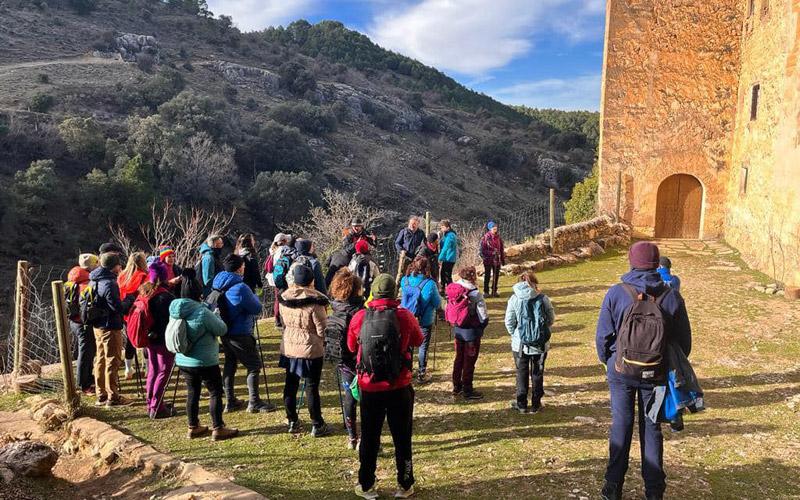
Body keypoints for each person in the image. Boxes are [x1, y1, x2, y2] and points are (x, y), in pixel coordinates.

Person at [596, 242, 692, 500]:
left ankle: (613, 485)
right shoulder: (671, 295)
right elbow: (685, 343)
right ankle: (654, 491)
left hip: (621, 372)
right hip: (656, 375)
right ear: (656, 262)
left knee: (621, 425)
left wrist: (611, 362)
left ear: (631, 261)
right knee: (652, 428)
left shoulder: (617, 293)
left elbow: (603, 336)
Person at [347, 274, 423, 499]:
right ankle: (405, 483)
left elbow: (351, 347)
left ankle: (366, 484)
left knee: (370, 437)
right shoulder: (405, 316)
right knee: (402, 437)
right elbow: (418, 341)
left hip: (370, 387)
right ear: (394, 293)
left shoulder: (360, 317)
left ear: (373, 292)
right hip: (399, 385)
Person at [171, 269, 239, 441]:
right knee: (215, 392)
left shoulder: (174, 311)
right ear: (198, 294)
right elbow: (221, 329)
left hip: (183, 359)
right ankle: (218, 427)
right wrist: (216, 316)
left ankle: (193, 426)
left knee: (192, 392)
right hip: (205, 360)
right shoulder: (202, 312)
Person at [213, 254, 275, 413]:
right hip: (241, 331)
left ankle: (230, 400)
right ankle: (254, 402)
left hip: (225, 330)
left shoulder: (218, 283)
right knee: (253, 366)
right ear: (239, 268)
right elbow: (257, 308)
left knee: (230, 363)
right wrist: (254, 296)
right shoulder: (240, 287)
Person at [279, 265, 332, 436]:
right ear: (311, 281)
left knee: (290, 384)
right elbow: (322, 329)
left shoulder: (284, 298)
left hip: (289, 346)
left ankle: (292, 419)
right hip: (310, 349)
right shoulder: (315, 303)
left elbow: (283, 322)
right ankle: (317, 423)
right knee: (311, 386)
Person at [326, 268, 366, 449]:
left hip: (343, 362)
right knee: (366, 400)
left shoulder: (335, 310)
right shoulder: (360, 312)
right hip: (360, 361)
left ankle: (352, 437)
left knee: (349, 398)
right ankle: (365, 437)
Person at [504, 272, 555, 413]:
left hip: (520, 344)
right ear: (535, 283)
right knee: (537, 372)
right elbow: (551, 318)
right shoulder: (543, 299)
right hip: (540, 343)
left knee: (521, 372)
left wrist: (515, 334)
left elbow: (509, 322)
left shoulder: (514, 299)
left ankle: (521, 404)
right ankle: (536, 403)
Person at [89, 252, 130, 407]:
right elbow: (117, 307)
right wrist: (128, 301)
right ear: (115, 266)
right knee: (113, 360)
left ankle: (101, 395)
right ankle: (113, 397)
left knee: (100, 359)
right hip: (110, 326)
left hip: (97, 325)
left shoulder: (93, 279)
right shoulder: (109, 283)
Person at [399, 256, 441, 384]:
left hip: (406, 319)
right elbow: (437, 303)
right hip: (424, 320)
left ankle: (408, 371)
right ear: (426, 268)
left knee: (407, 346)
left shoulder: (404, 280)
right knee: (423, 346)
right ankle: (422, 373)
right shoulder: (430, 284)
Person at [449, 266, 488, 400]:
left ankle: (456, 386)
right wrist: (483, 326)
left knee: (459, 358)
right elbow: (483, 314)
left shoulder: (454, 289)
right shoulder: (475, 293)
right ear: (473, 277)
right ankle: (467, 389)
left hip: (458, 329)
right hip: (471, 331)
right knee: (469, 360)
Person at [138, 281, 175, 419]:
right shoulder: (165, 297)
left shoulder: (145, 292)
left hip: (149, 337)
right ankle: (157, 407)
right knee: (164, 370)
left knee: (153, 370)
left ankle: (151, 403)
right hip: (162, 339)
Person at [67, 253, 99, 394]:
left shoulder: (73, 279)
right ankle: (84, 384)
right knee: (86, 352)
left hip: (74, 321)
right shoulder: (87, 284)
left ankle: (86, 379)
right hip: (84, 323)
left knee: (85, 351)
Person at [118, 252, 149, 381]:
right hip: (141, 312)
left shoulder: (121, 276)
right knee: (146, 340)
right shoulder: (144, 276)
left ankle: (128, 368)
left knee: (131, 340)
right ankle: (147, 368)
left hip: (126, 313)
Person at [480, 221, 505, 297]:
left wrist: (502, 259)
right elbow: (483, 250)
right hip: (488, 260)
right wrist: (491, 253)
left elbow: (501, 249)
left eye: (496, 228)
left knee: (496, 276)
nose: (495, 230)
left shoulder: (498, 237)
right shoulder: (486, 238)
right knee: (487, 275)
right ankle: (486, 292)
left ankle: (494, 291)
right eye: (494, 229)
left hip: (497, 260)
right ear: (490, 229)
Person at [438, 220, 458, 291]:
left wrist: (439, 258)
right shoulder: (447, 235)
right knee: (443, 273)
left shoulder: (450, 236)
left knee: (447, 276)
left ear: (448, 227)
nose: (441, 229)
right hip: (447, 258)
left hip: (449, 258)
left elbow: (445, 248)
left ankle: (451, 291)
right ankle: (443, 288)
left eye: (443, 227)